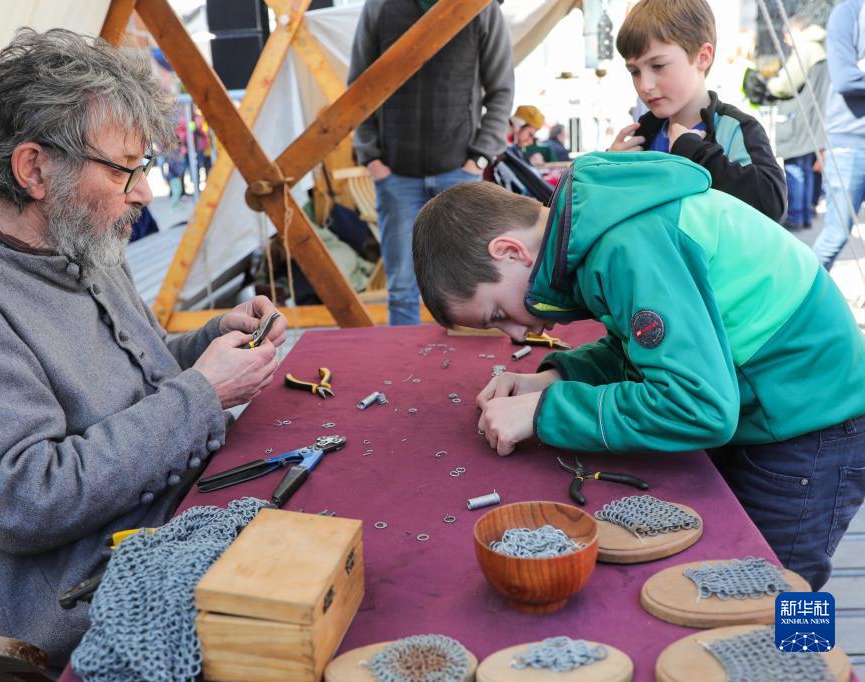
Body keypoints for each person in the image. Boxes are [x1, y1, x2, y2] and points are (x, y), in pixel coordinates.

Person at [0, 29, 284, 665]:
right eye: (123, 170)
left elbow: (135, 377)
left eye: (143, 167)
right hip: (79, 608)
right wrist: (204, 393)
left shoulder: (78, 237)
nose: (143, 192)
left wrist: (211, 344)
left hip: (176, 521)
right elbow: (23, 499)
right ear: (34, 169)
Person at [412, 152, 865, 591]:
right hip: (775, 399)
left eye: (496, 314)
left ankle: (806, 645)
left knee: (780, 588)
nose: (514, 334)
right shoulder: (599, 228)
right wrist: (558, 378)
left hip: (814, 422)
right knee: (739, 577)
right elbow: (647, 348)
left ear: (510, 251)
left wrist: (545, 411)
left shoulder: (628, 245)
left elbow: (698, 406)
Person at [349, 0, 513, 325]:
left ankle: (467, 358)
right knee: (402, 290)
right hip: (396, 176)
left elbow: (501, 89)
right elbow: (358, 89)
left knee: (470, 285)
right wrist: (372, 158)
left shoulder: (480, 8)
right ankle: (404, 359)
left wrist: (479, 157)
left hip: (459, 173)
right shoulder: (379, 6)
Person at [609, 0, 788, 221]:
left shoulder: (735, 129)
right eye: (634, 72)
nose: (645, 85)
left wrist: (696, 153)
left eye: (658, 66)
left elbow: (772, 204)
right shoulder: (644, 134)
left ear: (702, 57)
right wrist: (608, 171)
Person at [811, 0, 865, 269]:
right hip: (850, 144)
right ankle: (800, 292)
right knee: (836, 234)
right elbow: (845, 78)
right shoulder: (849, 14)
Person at [770, 18, 829, 231]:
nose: (786, 41)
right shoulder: (820, 47)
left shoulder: (805, 49)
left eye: (787, 35)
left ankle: (795, 214)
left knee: (795, 168)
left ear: (796, 31)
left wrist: (770, 84)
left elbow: (785, 84)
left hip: (800, 117)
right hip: (813, 117)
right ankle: (805, 213)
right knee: (806, 168)